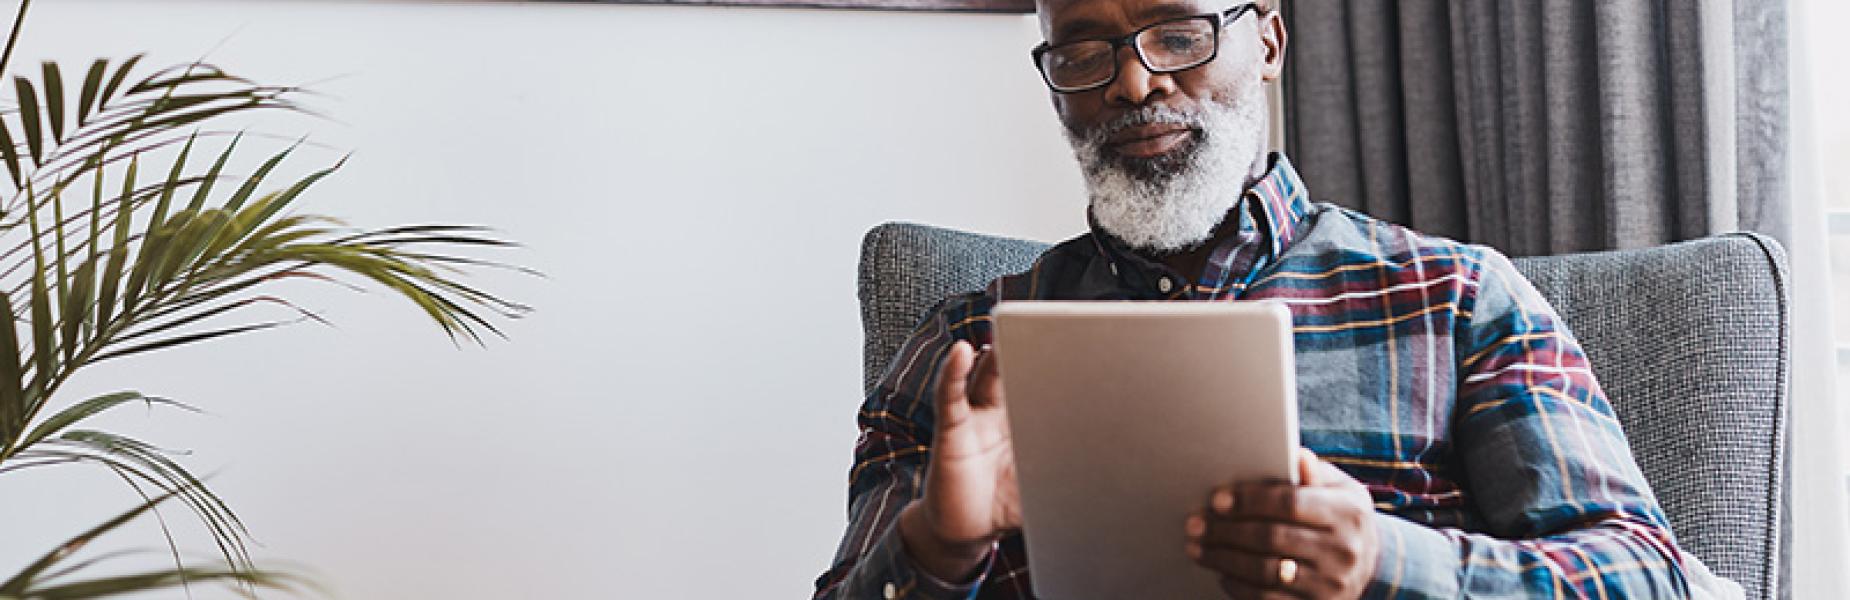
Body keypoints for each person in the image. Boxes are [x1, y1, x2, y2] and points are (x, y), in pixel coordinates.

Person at [815, 0, 1740, 597]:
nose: (1133, 83)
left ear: (1267, 41)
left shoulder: (1453, 297)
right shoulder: (968, 344)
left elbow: (1649, 579)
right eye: (1084, 53)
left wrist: (1388, 562)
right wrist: (938, 541)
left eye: (1178, 34)